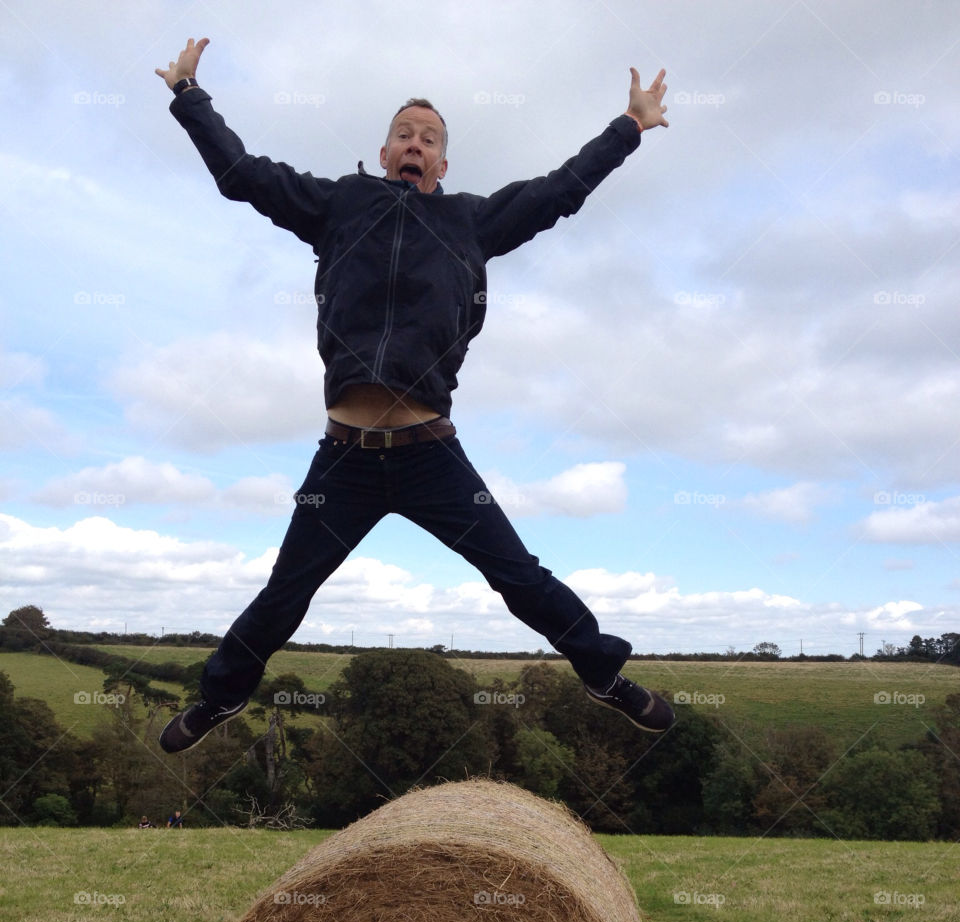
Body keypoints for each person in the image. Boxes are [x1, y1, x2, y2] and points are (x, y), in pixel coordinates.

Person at [154, 38, 675, 754]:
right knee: (286, 592)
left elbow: (560, 191)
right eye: (404, 133)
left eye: (429, 139)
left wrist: (630, 126)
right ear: (384, 151)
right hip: (345, 458)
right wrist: (189, 95)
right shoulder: (341, 204)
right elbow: (242, 174)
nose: (415, 144)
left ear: (442, 164)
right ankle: (221, 696)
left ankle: (604, 675)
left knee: (519, 576)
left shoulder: (472, 221)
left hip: (431, 453)